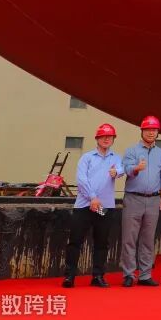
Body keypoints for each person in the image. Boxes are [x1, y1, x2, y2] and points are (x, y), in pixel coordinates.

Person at [63, 123, 123, 288]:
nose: (106, 139)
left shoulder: (115, 158)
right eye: (103, 136)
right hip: (84, 205)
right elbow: (81, 180)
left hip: (104, 207)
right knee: (75, 241)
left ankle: (98, 276)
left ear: (113, 139)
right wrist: (93, 198)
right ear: (97, 138)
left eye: (109, 137)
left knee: (102, 241)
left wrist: (117, 172)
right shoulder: (87, 157)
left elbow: (122, 169)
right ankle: (69, 276)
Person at [120, 115, 161, 287]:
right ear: (142, 131)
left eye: (154, 130)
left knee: (148, 239)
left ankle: (145, 275)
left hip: (153, 200)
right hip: (133, 198)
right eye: (148, 129)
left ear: (157, 132)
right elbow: (126, 169)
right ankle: (128, 274)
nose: (151, 132)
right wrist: (136, 168)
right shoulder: (132, 151)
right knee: (129, 238)